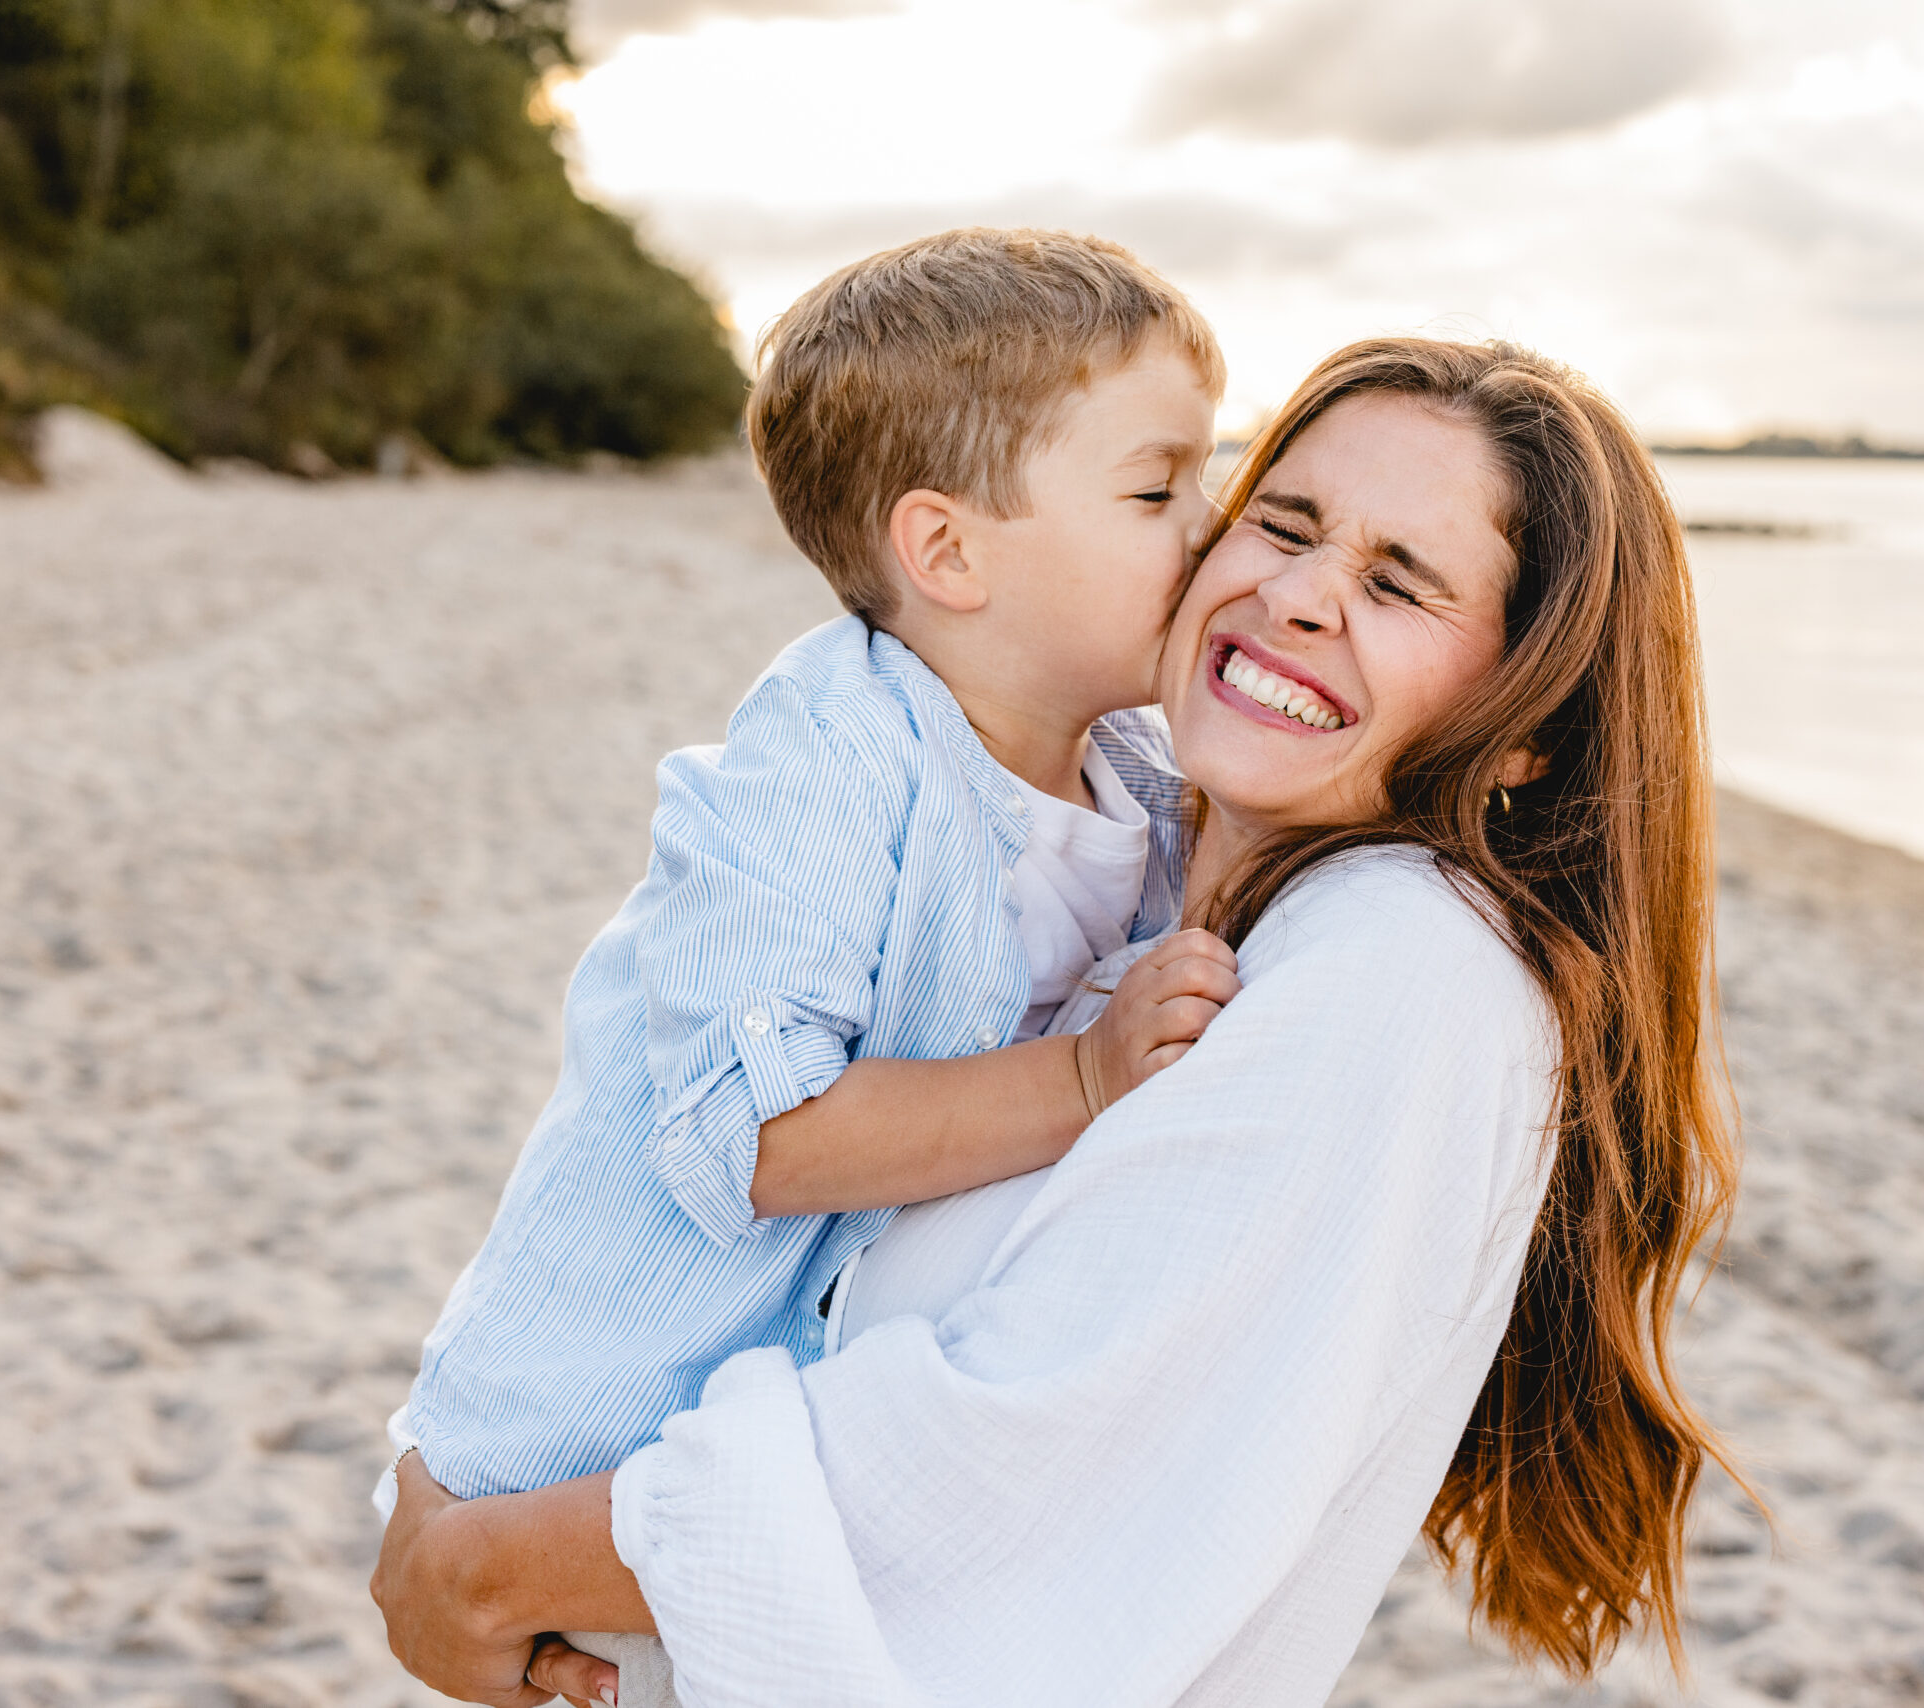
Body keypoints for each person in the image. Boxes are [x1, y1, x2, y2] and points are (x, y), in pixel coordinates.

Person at [374, 338, 1745, 1708]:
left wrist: (487, 1567)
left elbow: (992, 1467)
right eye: (1282, 522)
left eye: (1399, 583)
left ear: (1527, 731)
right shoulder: (1134, 905)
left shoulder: (1404, 965)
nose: (1302, 594)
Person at [381, 228, 1250, 1686]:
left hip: (776, 1461)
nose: (1214, 529)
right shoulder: (823, 764)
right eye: (1161, 489)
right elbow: (756, 1130)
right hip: (590, 1446)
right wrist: (1085, 1076)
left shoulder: (1141, 778)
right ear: (948, 551)